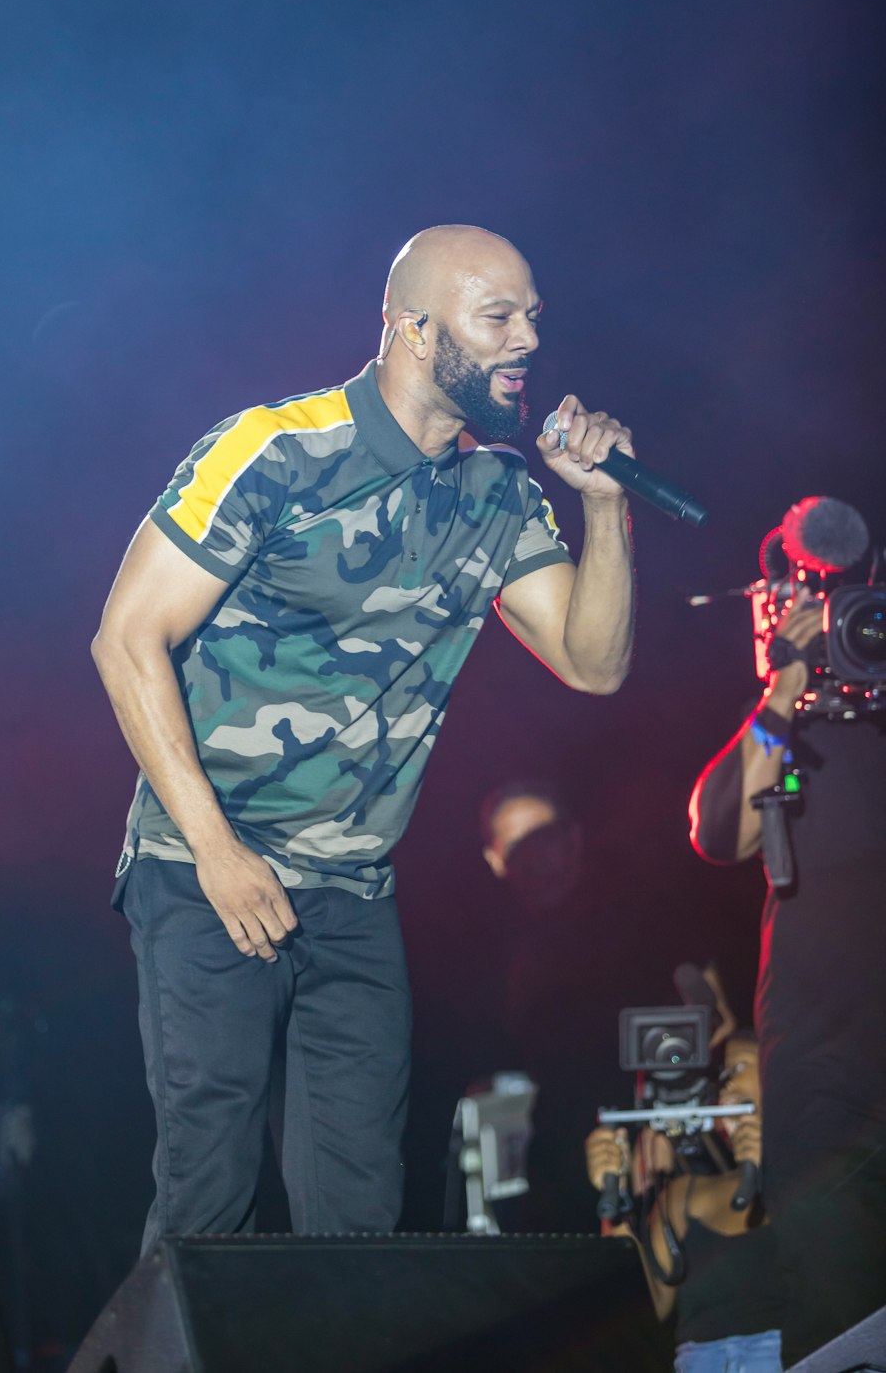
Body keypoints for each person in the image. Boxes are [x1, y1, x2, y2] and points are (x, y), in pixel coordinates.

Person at [92, 224, 636, 1244]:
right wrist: (217, 852)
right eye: (498, 318)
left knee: (359, 1218)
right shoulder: (275, 451)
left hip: (353, 893)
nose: (526, 342)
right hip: (209, 869)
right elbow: (126, 639)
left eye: (533, 319)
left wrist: (603, 507)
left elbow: (594, 665)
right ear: (415, 331)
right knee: (211, 1199)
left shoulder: (500, 493)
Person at [689, 576, 886, 1364]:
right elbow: (719, 829)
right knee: (838, 1322)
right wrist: (787, 688)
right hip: (826, 1082)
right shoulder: (785, 741)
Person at [586, 1037, 784, 1372]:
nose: (728, 1083)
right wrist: (614, 1201)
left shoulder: (818, 1171)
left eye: (739, 1068)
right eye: (721, 1076)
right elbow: (649, 1308)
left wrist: (777, 1164)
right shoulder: (683, 1195)